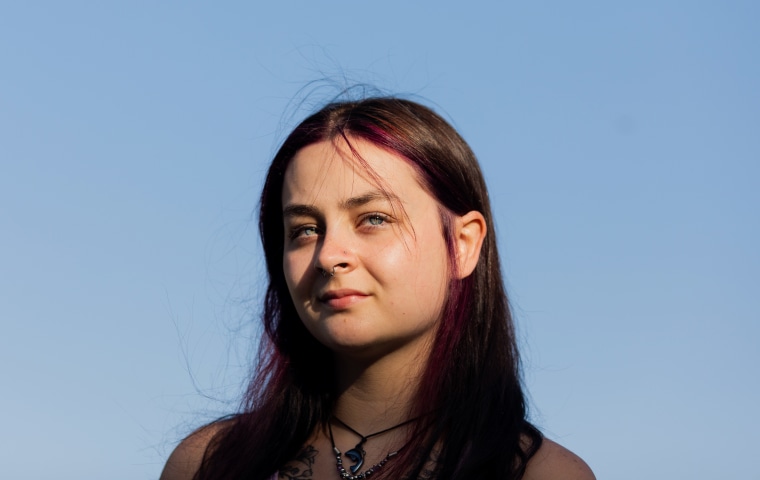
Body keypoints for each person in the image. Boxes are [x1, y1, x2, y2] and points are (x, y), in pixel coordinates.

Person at [160, 97, 595, 480]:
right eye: (305, 229)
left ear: (462, 245)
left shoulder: (542, 474)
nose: (330, 256)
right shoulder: (208, 464)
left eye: (373, 219)